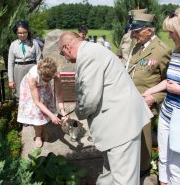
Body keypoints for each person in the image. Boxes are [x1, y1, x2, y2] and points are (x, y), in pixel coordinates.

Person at [59, 31, 153, 185]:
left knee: (124, 178)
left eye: (62, 53)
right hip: (116, 123)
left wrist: (77, 112)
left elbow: (89, 99)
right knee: (109, 173)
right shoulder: (91, 50)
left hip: (121, 125)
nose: (64, 57)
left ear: (67, 47)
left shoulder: (88, 55)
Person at [142, 7, 180, 185]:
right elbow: (169, 82)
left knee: (175, 168)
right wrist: (148, 92)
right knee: (163, 161)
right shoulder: (176, 52)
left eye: (171, 32)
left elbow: (176, 88)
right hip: (167, 116)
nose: (169, 36)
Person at [128, 13, 172, 177]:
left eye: (137, 31)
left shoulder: (162, 51)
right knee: (132, 141)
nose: (134, 34)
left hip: (146, 106)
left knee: (144, 144)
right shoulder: (137, 47)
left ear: (148, 30)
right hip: (130, 103)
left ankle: (143, 171)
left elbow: (170, 82)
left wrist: (155, 98)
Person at [17, 57, 68, 148]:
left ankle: (43, 130)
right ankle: (38, 135)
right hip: (31, 90)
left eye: (49, 79)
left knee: (45, 111)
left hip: (44, 88)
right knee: (37, 113)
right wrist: (52, 116)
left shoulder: (55, 73)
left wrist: (62, 110)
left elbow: (59, 93)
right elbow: (37, 102)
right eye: (45, 78)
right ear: (40, 73)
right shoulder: (32, 77)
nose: (47, 80)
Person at [8, 20, 43, 101]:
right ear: (16, 33)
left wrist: (40, 75)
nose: (22, 35)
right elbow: (10, 63)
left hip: (31, 69)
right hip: (18, 70)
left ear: (28, 31)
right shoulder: (13, 45)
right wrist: (10, 80)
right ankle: (20, 110)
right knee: (19, 93)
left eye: (24, 32)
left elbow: (39, 60)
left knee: (33, 91)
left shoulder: (34, 43)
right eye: (20, 33)